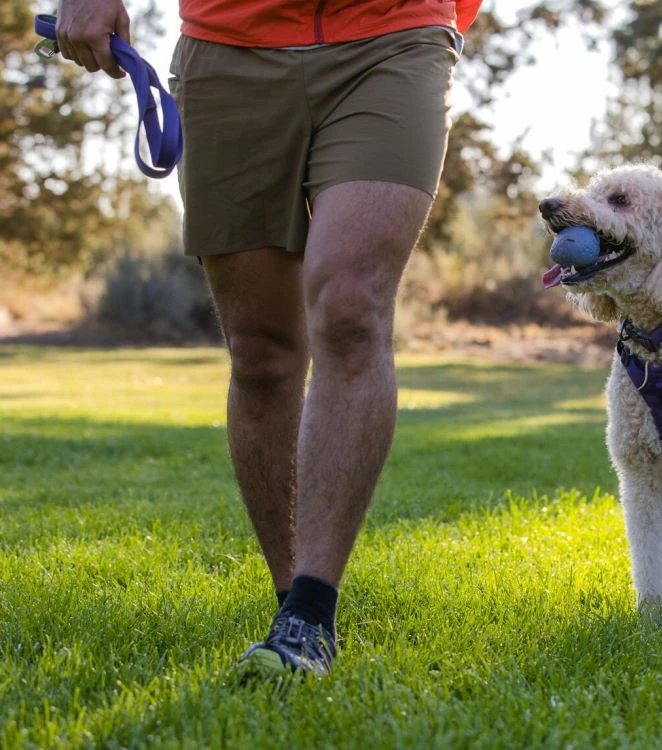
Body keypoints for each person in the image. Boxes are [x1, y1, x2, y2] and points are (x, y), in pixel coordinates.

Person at [55, 0, 482, 677]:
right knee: (261, 352)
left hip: (392, 35)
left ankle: (312, 611)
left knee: (350, 306)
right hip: (228, 48)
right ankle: (291, 602)